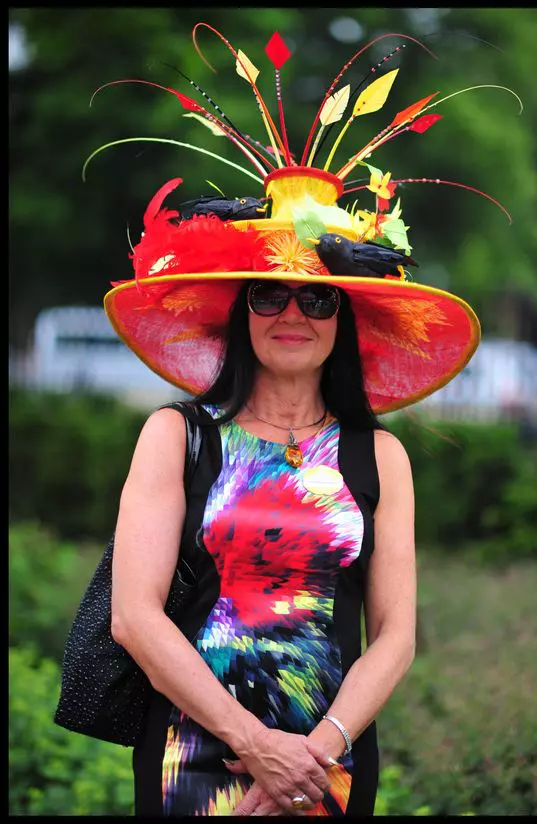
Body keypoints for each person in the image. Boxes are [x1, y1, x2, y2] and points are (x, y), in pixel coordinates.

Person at [94, 21, 490, 817]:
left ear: (345, 320)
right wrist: (253, 745)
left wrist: (312, 755)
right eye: (269, 294)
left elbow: (396, 636)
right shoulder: (178, 436)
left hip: (328, 762)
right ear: (239, 311)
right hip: (192, 749)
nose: (293, 314)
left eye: (318, 298)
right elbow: (134, 617)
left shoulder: (380, 457)